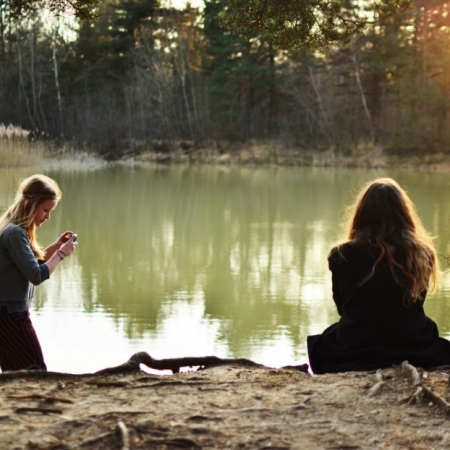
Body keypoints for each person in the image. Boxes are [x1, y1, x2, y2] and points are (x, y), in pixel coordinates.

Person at [307, 177, 450, 374]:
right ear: (404, 214)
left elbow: (343, 307)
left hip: (356, 343)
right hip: (411, 343)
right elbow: (416, 303)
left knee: (325, 341)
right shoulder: (422, 254)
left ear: (361, 214)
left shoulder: (341, 254)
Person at [0, 174, 77, 372]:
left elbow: (30, 264)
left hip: (7, 313)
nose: (47, 217)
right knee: (36, 371)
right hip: (11, 315)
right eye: (45, 210)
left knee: (13, 374)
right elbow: (36, 275)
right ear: (32, 205)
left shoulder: (11, 228)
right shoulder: (15, 233)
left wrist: (54, 248)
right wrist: (61, 254)